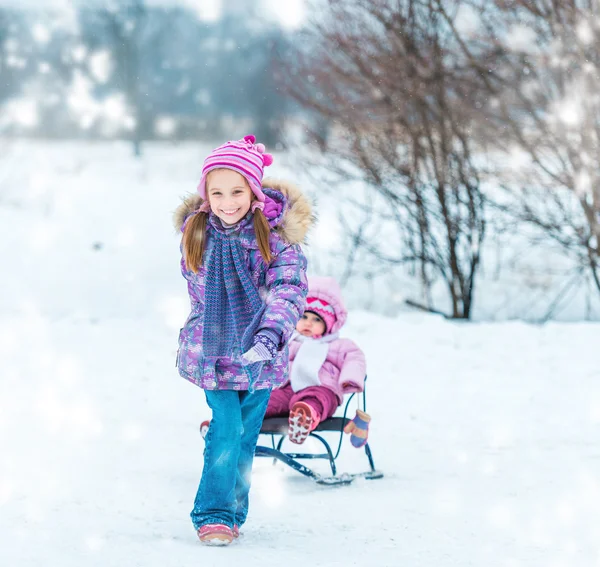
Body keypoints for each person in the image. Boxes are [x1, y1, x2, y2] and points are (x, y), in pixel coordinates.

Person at [174, 134, 312, 545]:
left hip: (261, 356)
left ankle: (233, 511)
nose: (227, 201)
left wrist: (269, 334)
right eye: (216, 192)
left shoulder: (276, 237)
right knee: (227, 427)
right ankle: (212, 514)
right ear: (206, 196)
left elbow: (288, 289)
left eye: (236, 191)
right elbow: (200, 292)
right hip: (214, 353)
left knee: (245, 435)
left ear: (253, 191)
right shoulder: (198, 234)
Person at [264, 276, 367, 444]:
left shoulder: (336, 345)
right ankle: (232, 425)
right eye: (304, 317)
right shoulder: (289, 341)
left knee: (315, 399)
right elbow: (271, 360)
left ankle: (305, 417)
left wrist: (350, 379)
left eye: (317, 319)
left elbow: (355, 358)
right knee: (266, 401)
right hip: (287, 388)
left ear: (330, 323)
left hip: (322, 388)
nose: (308, 323)